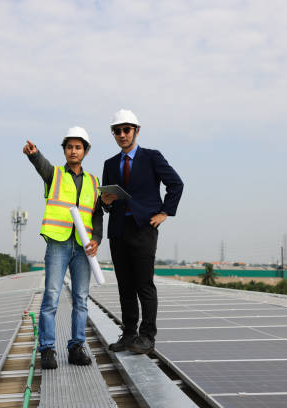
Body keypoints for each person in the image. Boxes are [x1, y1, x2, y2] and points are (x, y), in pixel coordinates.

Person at [101, 109, 183, 354]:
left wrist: (164, 213)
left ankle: (147, 336)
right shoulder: (110, 164)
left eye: (127, 130)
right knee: (124, 285)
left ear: (136, 131)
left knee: (143, 284)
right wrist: (104, 202)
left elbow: (176, 184)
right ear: (113, 134)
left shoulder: (151, 157)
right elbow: (106, 202)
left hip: (143, 229)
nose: (122, 134)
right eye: (118, 131)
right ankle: (129, 334)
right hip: (118, 229)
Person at [23, 126, 103, 369]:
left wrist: (97, 239)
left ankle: (76, 347)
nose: (73, 151)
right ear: (65, 150)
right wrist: (34, 154)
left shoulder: (93, 181)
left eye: (78, 147)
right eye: (69, 147)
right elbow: (42, 165)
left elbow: (97, 215)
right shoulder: (54, 174)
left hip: (82, 247)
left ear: (85, 152)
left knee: (81, 298)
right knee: (51, 297)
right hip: (58, 243)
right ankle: (47, 349)